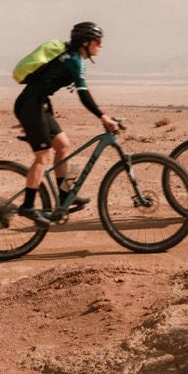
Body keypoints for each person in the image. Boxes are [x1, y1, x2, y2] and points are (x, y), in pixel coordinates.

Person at [13, 21, 119, 225]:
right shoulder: (74, 60)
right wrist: (103, 116)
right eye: (98, 41)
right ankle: (27, 206)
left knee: (63, 145)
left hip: (39, 104)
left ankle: (63, 195)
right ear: (86, 42)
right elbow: (84, 94)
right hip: (31, 105)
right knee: (43, 156)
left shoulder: (73, 57)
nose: (101, 45)